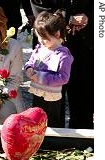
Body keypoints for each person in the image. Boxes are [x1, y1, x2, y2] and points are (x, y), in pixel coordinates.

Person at [30, 0, 94, 129]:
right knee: (48, 101)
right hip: (51, 41)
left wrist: (88, 17)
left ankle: (81, 141)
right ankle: (50, 140)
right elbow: (39, 5)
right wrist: (67, 18)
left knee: (83, 95)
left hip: (85, 42)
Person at [24, 10, 73, 128]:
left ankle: (52, 144)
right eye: (38, 37)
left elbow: (64, 78)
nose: (40, 41)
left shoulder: (63, 55)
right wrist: (29, 68)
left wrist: (40, 77)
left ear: (57, 34)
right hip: (37, 91)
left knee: (51, 121)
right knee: (36, 118)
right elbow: (31, 60)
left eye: (44, 38)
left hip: (51, 96)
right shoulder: (41, 48)